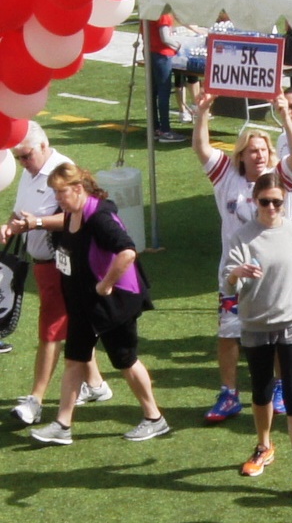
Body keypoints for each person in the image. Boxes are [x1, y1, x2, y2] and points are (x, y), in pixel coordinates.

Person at [28, 164, 168, 446]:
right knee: (74, 360)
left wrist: (106, 283)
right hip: (83, 303)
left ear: (79, 189)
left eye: (61, 192)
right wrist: (36, 222)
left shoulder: (100, 216)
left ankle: (155, 418)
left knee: (125, 360)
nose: (58, 198)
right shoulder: (71, 212)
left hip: (113, 303)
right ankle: (62, 425)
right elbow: (65, 233)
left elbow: (127, 251)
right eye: (55, 192)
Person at [192, 92, 292, 422]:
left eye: (264, 150)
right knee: (229, 332)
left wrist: (285, 117)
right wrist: (202, 113)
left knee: (279, 332)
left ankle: (281, 387)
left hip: (277, 276)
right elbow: (201, 149)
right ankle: (229, 394)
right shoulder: (226, 175)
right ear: (240, 155)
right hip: (234, 276)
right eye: (252, 150)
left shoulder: (278, 181)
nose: (259, 156)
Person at [1, 123, 113, 425]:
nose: (23, 162)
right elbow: (20, 212)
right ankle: (97, 385)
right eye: (19, 157)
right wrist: (10, 227)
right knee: (76, 327)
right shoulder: (30, 173)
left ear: (43, 145)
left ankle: (35, 400)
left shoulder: (64, 171)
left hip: (62, 264)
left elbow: (78, 214)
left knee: (50, 332)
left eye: (26, 156)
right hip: (43, 264)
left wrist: (35, 223)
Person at [223, 172, 292, 486]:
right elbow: (225, 283)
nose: (271, 207)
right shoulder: (242, 237)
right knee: (261, 390)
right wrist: (236, 273)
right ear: (254, 201)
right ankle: (264, 446)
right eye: (265, 202)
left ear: (284, 201)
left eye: (277, 201)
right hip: (256, 324)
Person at [146, 11, 187, 144]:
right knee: (163, 93)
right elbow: (165, 38)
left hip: (150, 52)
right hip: (162, 55)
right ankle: (165, 130)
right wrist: (179, 46)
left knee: (153, 92)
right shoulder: (163, 14)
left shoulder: (148, 11)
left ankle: (155, 128)